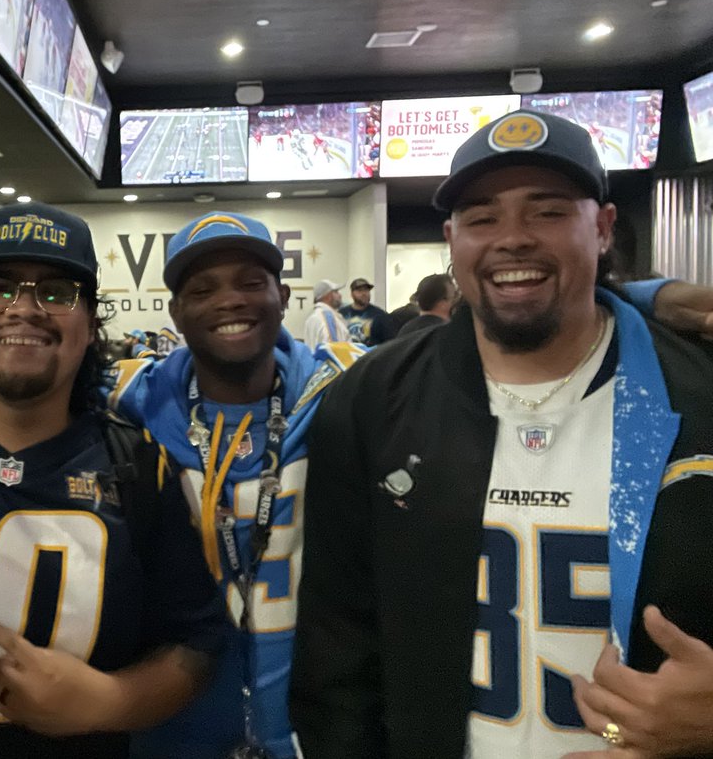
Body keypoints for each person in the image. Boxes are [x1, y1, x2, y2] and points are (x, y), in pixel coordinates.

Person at [290, 109, 713, 758]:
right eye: (482, 217)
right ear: (451, 240)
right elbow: (337, 650)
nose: (511, 238)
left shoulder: (697, 395)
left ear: (601, 228)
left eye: (547, 212)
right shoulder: (373, 399)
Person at [0, 202, 228, 759]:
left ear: (92, 318)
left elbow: (194, 644)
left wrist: (111, 702)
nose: (24, 309)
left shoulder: (137, 463)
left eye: (57, 291)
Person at [109, 212, 365, 759]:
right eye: (202, 289)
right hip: (175, 729)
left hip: (315, 732)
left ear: (283, 294)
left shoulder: (346, 390)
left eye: (251, 283)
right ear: (176, 312)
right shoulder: (135, 402)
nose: (230, 301)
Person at [338, 277, 395, 345]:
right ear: (351, 294)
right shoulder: (341, 314)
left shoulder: (380, 314)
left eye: (366, 290)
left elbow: (389, 342)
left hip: (372, 354)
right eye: (359, 291)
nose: (364, 294)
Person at [398, 272, 457, 336]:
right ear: (441, 303)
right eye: (455, 296)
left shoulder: (406, 329)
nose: (457, 302)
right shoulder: (446, 332)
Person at [304, 278, 353, 347]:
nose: (340, 295)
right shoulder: (328, 317)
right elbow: (332, 350)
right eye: (336, 292)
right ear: (328, 296)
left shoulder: (312, 317)